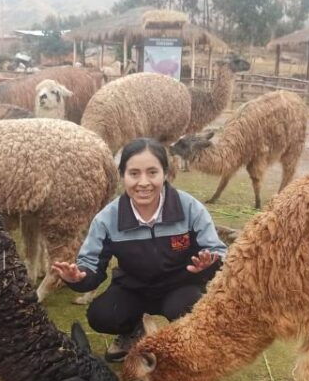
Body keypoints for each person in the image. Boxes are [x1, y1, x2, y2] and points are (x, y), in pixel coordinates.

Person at [52, 137, 227, 362]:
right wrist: (78, 278)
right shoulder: (107, 218)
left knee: (192, 307)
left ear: (165, 173)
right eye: (134, 173)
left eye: (152, 172)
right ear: (122, 175)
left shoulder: (190, 208)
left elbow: (217, 251)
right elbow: (90, 264)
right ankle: (133, 332)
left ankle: (184, 341)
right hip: (133, 288)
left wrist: (209, 265)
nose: (143, 182)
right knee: (102, 315)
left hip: (180, 286)